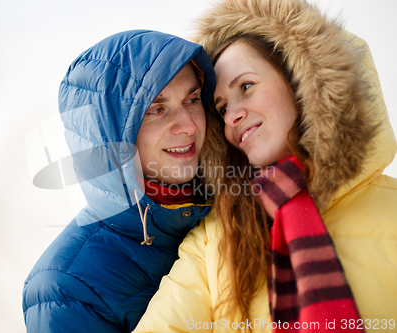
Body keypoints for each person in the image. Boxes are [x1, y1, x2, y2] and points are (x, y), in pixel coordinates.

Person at [133, 0, 397, 332]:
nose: (231, 116)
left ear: (302, 81)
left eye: (245, 87)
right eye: (221, 107)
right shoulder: (214, 238)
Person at [22, 30, 216, 333]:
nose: (189, 125)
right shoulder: (67, 287)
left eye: (192, 99)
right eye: (157, 109)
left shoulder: (236, 208)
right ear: (110, 135)